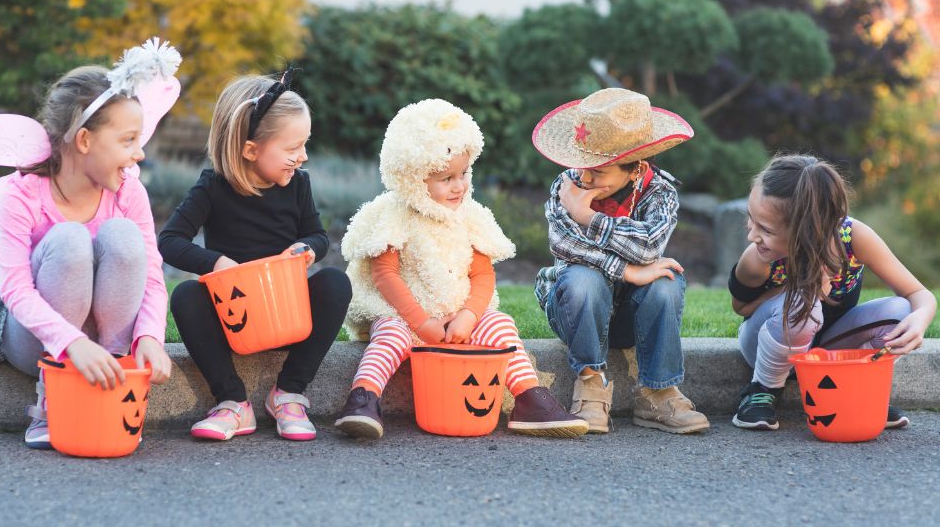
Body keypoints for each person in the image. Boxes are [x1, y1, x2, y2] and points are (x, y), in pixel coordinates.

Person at [0, 38, 181, 448]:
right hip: (37, 338)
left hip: (105, 333)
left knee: (123, 235)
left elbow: (152, 277)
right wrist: (70, 341)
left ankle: (114, 377)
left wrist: (149, 335)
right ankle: (51, 401)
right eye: (128, 140)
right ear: (83, 141)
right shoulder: (22, 194)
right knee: (69, 239)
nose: (140, 152)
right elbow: (16, 290)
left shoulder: (129, 193)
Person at [335, 99, 588, 439]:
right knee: (389, 337)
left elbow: (483, 275)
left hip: (458, 323)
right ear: (412, 178)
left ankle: (528, 397)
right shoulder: (395, 215)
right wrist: (421, 322)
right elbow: (385, 275)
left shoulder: (469, 215)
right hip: (407, 318)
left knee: (499, 324)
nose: (459, 185)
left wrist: (469, 316)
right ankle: (363, 398)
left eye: (464, 173)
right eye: (446, 178)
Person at [158, 71, 351, 442]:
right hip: (236, 320)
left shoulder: (298, 184)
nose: (303, 156)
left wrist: (308, 248)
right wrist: (216, 262)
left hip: (287, 314)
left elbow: (318, 235)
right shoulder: (213, 187)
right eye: (293, 147)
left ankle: (290, 393)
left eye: (305, 144)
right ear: (250, 150)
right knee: (185, 295)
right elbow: (170, 240)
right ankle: (232, 402)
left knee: (335, 283)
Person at [531, 87, 709, 435]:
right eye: (582, 166)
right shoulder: (566, 185)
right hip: (574, 311)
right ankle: (590, 384)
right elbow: (565, 245)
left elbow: (648, 248)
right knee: (583, 278)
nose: (585, 178)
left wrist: (588, 218)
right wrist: (628, 271)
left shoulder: (660, 193)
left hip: (630, 318)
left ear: (634, 169)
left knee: (664, 281)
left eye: (598, 172)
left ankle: (658, 393)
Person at [729, 154, 936, 430]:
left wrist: (920, 320)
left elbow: (919, 294)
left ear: (807, 229)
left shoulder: (854, 239)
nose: (752, 236)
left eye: (765, 229)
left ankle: (856, 387)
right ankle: (762, 391)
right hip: (766, 342)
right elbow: (741, 308)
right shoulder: (757, 259)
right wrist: (798, 288)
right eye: (751, 220)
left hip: (826, 347)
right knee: (804, 301)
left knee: (901, 312)